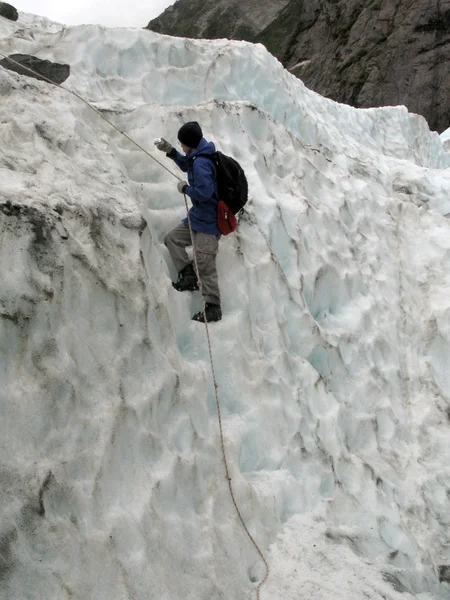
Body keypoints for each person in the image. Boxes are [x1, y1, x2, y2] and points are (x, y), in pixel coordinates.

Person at [155, 122, 222, 323]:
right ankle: (189, 275)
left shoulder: (202, 163)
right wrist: (172, 152)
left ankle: (213, 307)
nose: (182, 147)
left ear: (191, 144)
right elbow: (187, 164)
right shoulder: (198, 155)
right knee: (172, 239)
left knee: (205, 265)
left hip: (209, 224)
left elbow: (204, 193)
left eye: (182, 144)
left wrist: (185, 189)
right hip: (197, 218)